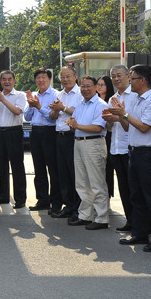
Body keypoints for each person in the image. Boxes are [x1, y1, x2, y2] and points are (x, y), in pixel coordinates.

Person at [106, 64, 151, 252]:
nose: (129, 81)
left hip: (150, 154)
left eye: (132, 78)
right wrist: (121, 115)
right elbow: (127, 127)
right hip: (134, 152)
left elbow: (144, 127)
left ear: (142, 81)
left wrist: (123, 114)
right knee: (136, 196)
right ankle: (140, 233)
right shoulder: (135, 100)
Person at [66, 76, 109, 229]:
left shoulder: (100, 105)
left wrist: (77, 125)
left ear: (96, 87)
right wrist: (72, 125)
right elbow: (75, 126)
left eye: (88, 86)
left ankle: (102, 218)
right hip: (78, 143)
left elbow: (98, 127)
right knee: (82, 182)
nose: (85, 89)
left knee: (96, 182)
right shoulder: (80, 105)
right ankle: (85, 215)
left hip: (94, 143)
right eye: (83, 86)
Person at [0, 70, 27, 208]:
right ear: (0, 81)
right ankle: (3, 196)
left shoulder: (20, 95)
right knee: (1, 166)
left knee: (17, 166)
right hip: (0, 132)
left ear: (14, 81)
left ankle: (20, 199)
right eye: (4, 79)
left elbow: (17, 111)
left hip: (14, 131)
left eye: (9, 79)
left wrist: (2, 100)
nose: (7, 82)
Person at [48, 66, 82, 218]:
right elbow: (52, 116)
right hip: (59, 136)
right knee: (63, 173)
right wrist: (55, 110)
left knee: (74, 173)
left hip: (72, 136)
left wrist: (63, 108)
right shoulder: (59, 94)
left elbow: (82, 113)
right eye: (62, 77)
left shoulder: (81, 93)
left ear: (75, 77)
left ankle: (77, 208)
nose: (65, 80)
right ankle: (68, 205)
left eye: (68, 76)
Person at [24, 68, 59, 212]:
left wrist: (39, 106)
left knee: (53, 168)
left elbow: (52, 117)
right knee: (38, 168)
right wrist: (32, 106)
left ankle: (56, 200)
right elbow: (26, 117)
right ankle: (42, 200)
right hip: (35, 133)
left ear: (49, 79)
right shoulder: (33, 95)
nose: (41, 80)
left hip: (50, 132)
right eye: (38, 77)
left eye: (44, 77)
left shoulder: (55, 95)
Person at [105, 65, 133, 232]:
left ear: (128, 76)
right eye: (113, 76)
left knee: (133, 188)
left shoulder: (135, 96)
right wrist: (109, 119)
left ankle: (139, 222)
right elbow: (110, 127)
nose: (116, 79)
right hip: (116, 148)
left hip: (129, 147)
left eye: (119, 75)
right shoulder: (112, 98)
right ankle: (130, 220)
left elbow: (131, 123)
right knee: (123, 187)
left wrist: (119, 115)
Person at [97, 76, 115, 198]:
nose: (99, 87)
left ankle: (107, 194)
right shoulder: (94, 100)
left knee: (108, 166)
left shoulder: (111, 101)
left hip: (109, 136)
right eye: (98, 84)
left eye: (102, 84)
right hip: (96, 137)